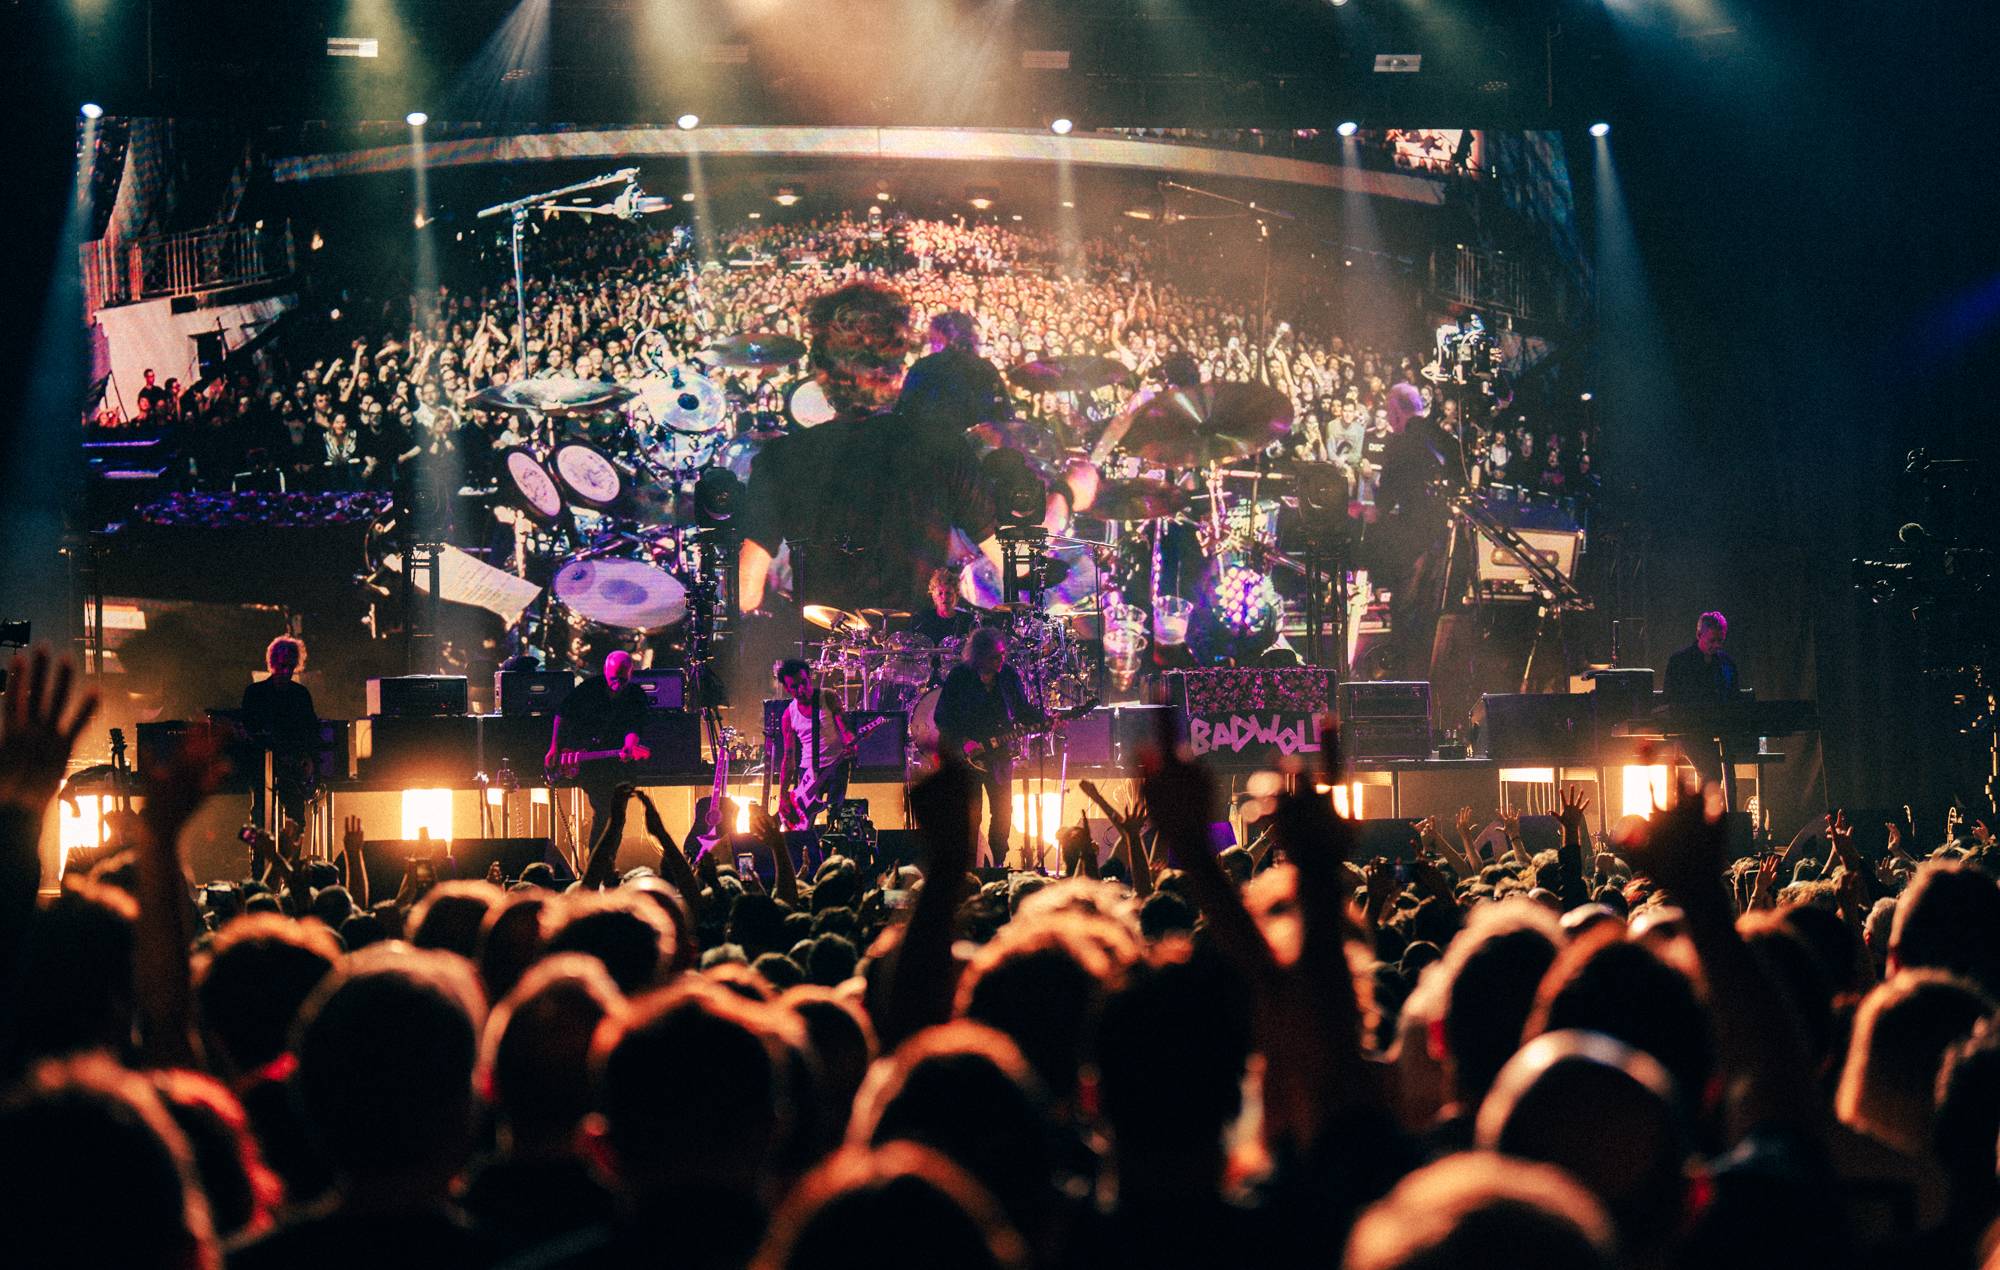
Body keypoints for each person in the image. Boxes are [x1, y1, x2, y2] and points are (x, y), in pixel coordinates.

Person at [737, 281, 1002, 617]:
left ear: (821, 374)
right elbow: (1014, 568)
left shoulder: (780, 459)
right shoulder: (945, 448)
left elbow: (745, 595)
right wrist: (1064, 495)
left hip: (824, 656)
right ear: (896, 374)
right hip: (921, 658)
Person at [933, 628, 1045, 868]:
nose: (1000, 661)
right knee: (971, 815)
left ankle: (997, 865)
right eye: (995, 657)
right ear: (979, 656)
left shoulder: (1008, 677)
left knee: (1003, 813)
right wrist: (964, 741)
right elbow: (942, 717)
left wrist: (1047, 719)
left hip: (999, 756)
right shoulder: (960, 677)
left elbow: (1023, 711)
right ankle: (968, 868)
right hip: (966, 757)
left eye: (1002, 655)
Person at [545, 651, 652, 850]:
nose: (618, 684)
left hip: (617, 766)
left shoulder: (636, 695)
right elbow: (562, 715)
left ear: (631, 673)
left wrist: (629, 746)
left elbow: (634, 726)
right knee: (605, 813)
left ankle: (603, 864)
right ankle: (599, 864)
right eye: (613, 678)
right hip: (590, 764)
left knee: (616, 817)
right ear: (605, 671)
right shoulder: (590, 688)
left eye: (623, 678)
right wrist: (555, 747)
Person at [239, 636, 320, 829]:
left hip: (292, 769)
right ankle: (260, 858)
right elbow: (249, 730)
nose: (286, 671)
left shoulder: (300, 694)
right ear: (272, 663)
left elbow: (311, 730)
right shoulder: (255, 693)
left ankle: (289, 859)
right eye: (282, 665)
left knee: (296, 821)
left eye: (290, 666)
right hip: (263, 767)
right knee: (261, 821)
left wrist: (309, 760)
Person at [898, 310, 1013, 443]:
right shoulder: (986, 368)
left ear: (940, 335)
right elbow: (1003, 413)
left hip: (930, 447)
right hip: (973, 449)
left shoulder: (925, 366)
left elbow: (905, 409)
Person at [775, 659, 857, 842]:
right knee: (802, 829)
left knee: (835, 817)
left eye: (804, 683)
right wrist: (783, 796)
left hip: (836, 765)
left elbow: (844, 728)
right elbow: (788, 758)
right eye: (794, 687)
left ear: (809, 678)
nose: (801, 690)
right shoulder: (789, 715)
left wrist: (851, 742)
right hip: (807, 773)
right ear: (787, 689)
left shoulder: (828, 696)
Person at [1663, 611, 1740, 798]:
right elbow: (1670, 701)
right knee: (1712, 769)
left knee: (1723, 770)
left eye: (1720, 641)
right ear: (1699, 635)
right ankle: (1703, 819)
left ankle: (1716, 817)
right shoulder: (1679, 662)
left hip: (1720, 729)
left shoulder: (1726, 663)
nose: (1717, 645)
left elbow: (1734, 698)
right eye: (1712, 640)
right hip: (1690, 730)